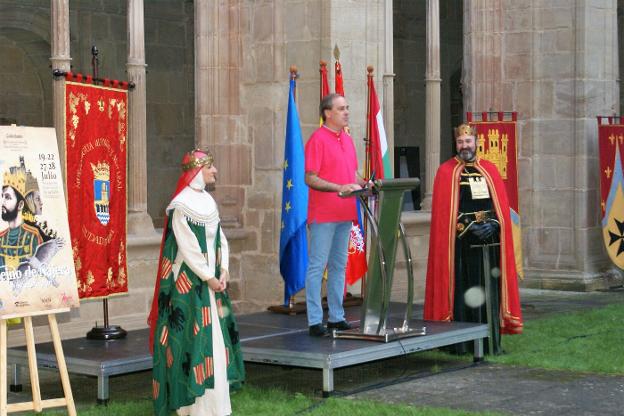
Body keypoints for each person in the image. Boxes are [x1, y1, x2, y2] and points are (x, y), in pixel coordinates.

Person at [148, 149, 245, 416]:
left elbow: (220, 239)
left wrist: (223, 269)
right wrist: (208, 276)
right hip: (189, 286)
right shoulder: (181, 206)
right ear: (198, 170)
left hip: (211, 281)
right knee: (192, 341)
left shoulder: (208, 202)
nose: (215, 172)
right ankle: (193, 407)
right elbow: (188, 248)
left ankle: (216, 406)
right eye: (211, 167)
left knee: (214, 339)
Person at [424, 123, 523, 354]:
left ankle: (490, 343)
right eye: (460, 142)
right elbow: (444, 212)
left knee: (489, 293)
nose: (464, 146)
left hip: (489, 244)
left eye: (468, 141)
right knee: (464, 293)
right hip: (460, 246)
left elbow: (499, 206)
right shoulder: (446, 171)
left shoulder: (488, 169)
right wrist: (467, 226)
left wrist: (494, 224)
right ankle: (461, 345)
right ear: (456, 144)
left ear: (476, 142)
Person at [304, 93, 364, 336]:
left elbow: (353, 174)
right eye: (341, 108)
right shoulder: (317, 139)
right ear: (328, 113)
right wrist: (339, 188)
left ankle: (337, 317)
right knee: (317, 266)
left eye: (347, 107)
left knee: (339, 266)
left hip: (346, 212)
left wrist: (370, 183)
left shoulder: (347, 139)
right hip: (324, 214)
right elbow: (310, 177)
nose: (346, 112)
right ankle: (315, 320)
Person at [0, 169, 43, 272]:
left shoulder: (33, 235)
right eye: (2, 197)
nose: (2, 202)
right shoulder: (1, 238)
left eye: (7, 197)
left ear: (20, 205)